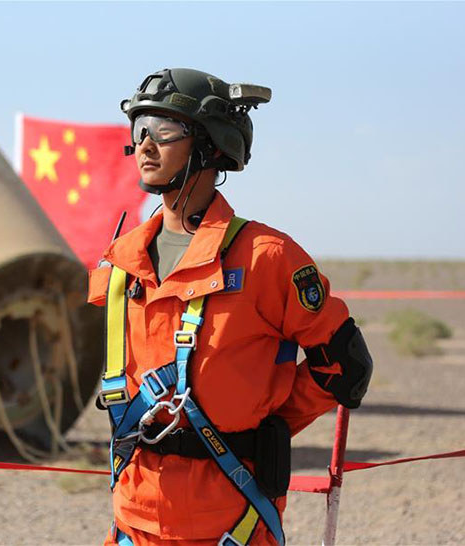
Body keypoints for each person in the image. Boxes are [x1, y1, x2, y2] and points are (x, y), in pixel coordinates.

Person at [87, 68, 373, 546]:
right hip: (133, 522)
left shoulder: (266, 257)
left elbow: (346, 366)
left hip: (230, 521)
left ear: (209, 144)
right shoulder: (121, 262)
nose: (145, 146)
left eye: (162, 130)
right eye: (139, 131)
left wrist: (268, 425)